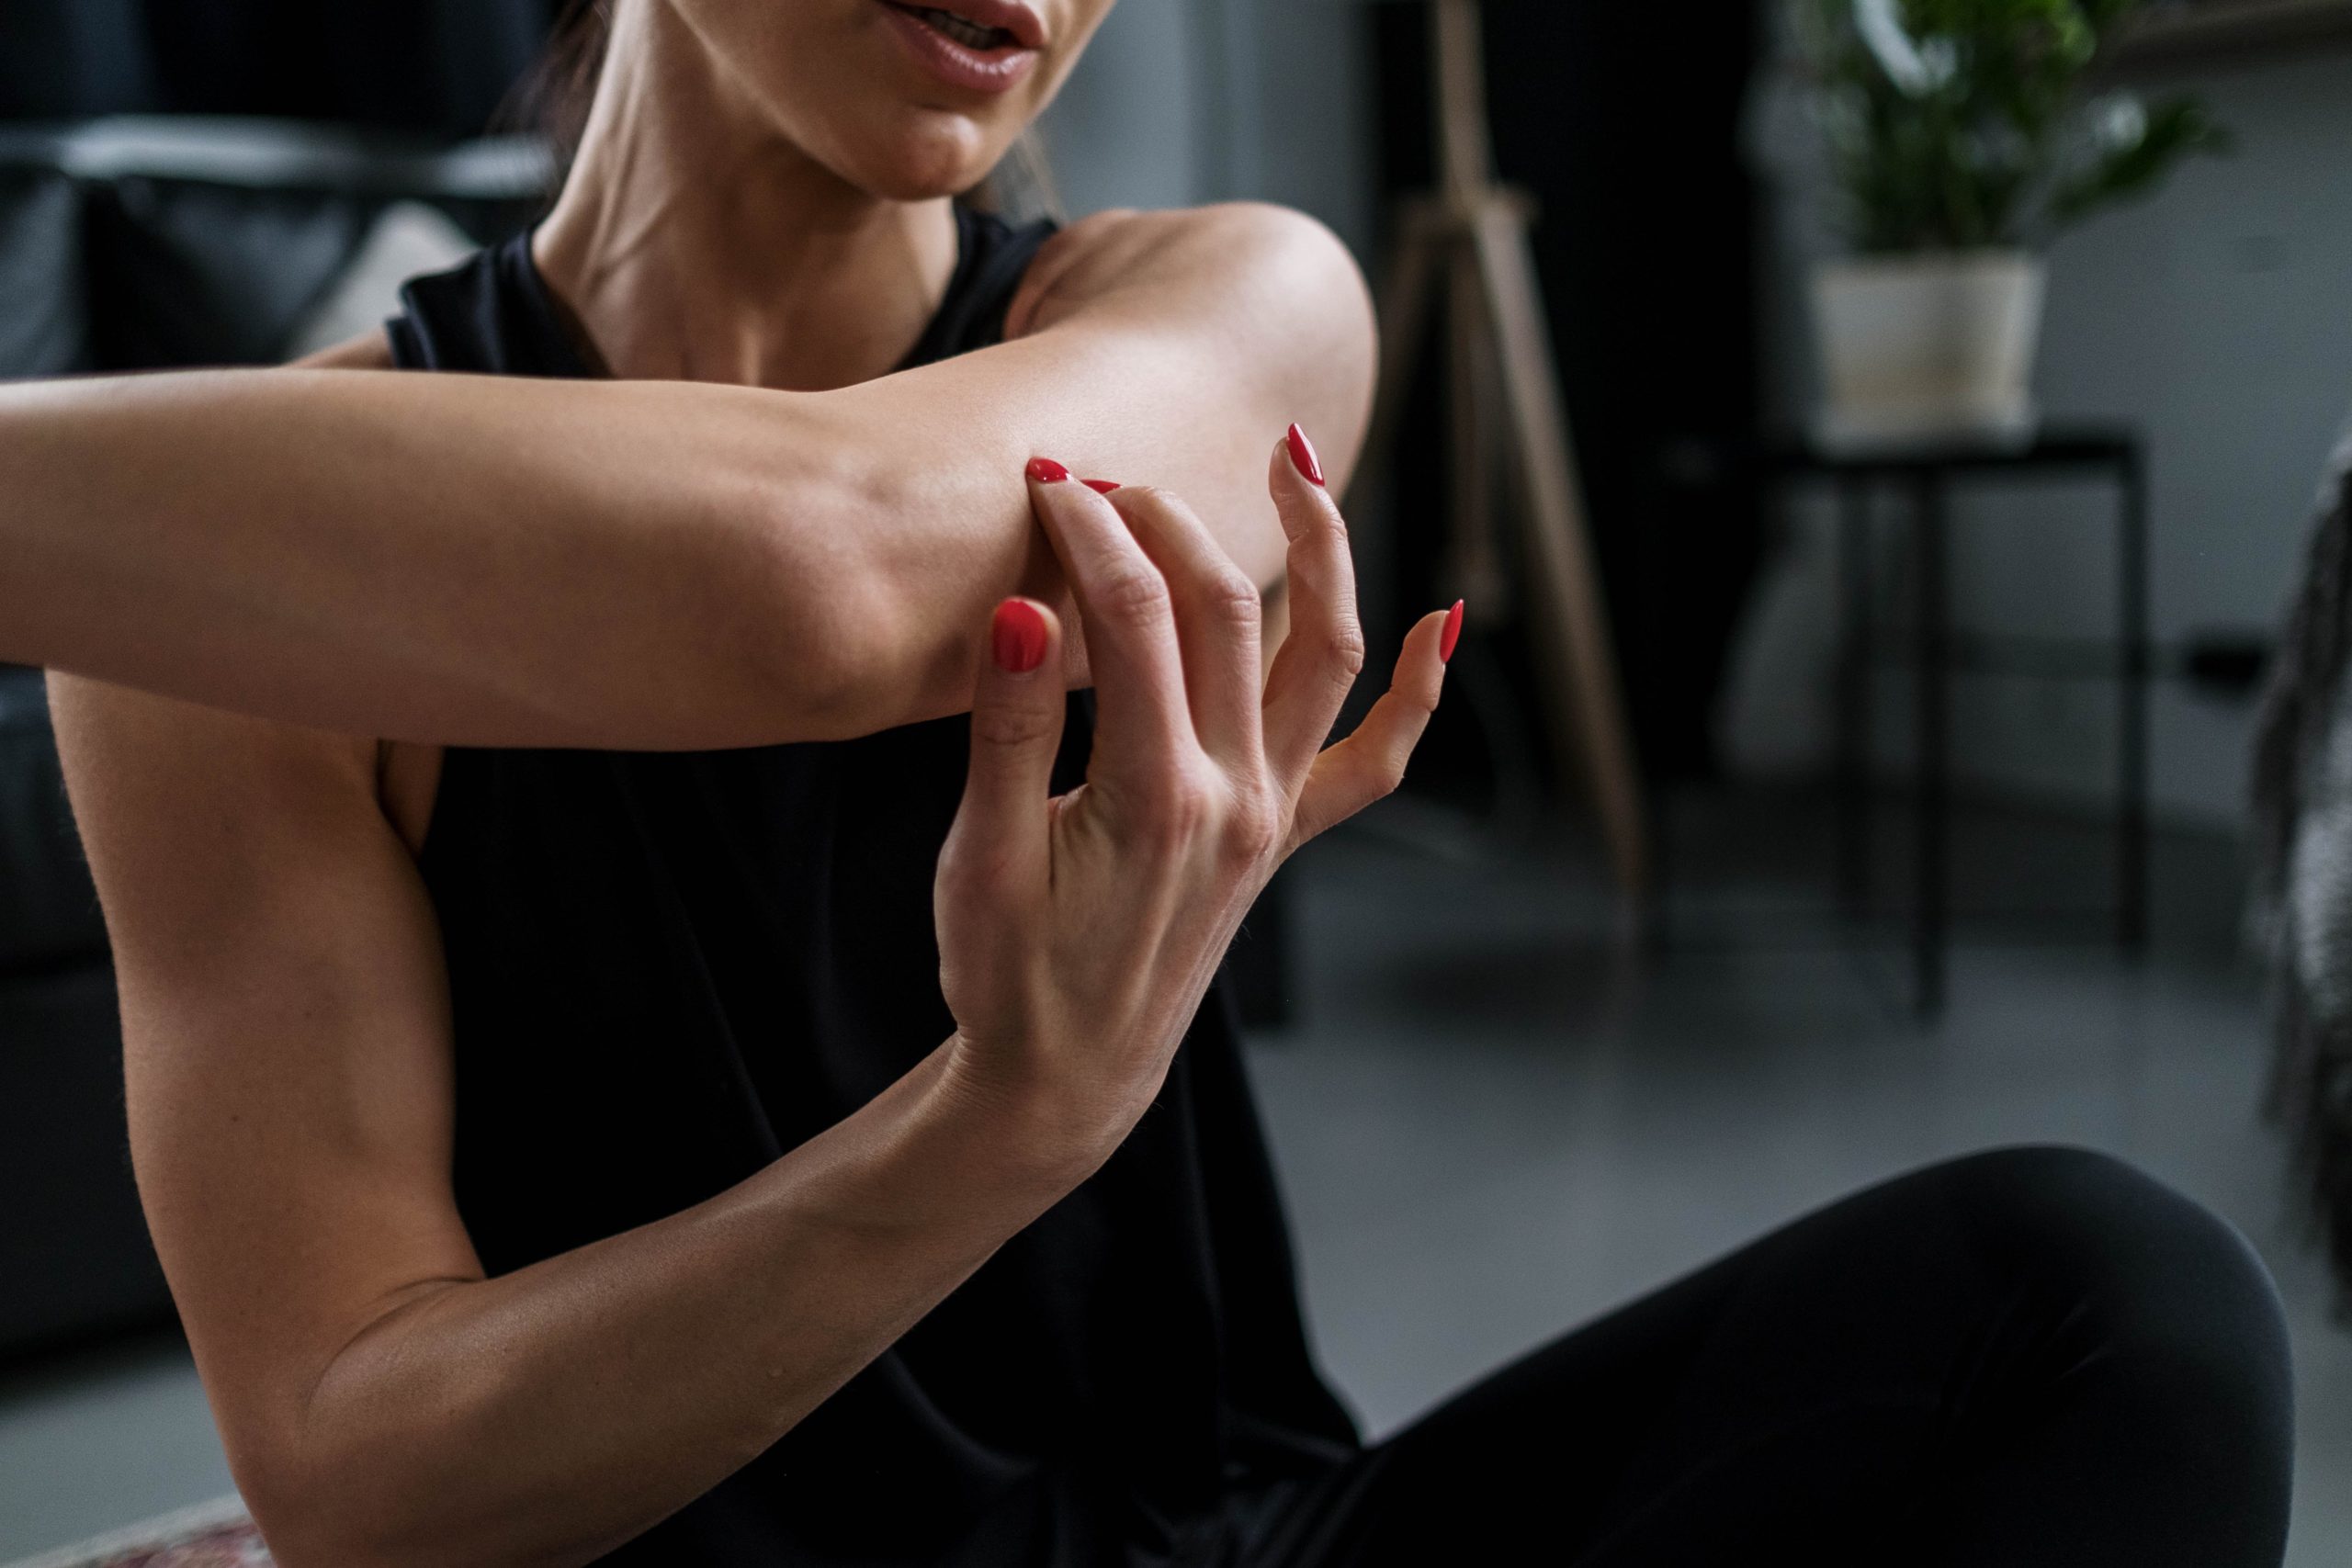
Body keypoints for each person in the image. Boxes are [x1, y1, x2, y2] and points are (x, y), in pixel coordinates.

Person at [35, 2, 2293, 1565]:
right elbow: (356, 1476)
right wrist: (985, 1135)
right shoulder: (242, 588)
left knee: (2101, 1299)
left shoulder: (1234, 307)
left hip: (1217, 1539)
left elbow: (817, 571)